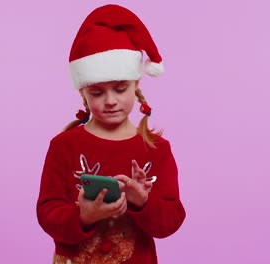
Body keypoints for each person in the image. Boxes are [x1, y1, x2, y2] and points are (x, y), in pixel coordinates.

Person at [36, 4, 186, 264]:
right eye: (97, 92)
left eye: (120, 89)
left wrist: (142, 201)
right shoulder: (64, 146)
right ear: (82, 92)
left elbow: (170, 222)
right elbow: (47, 213)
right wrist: (85, 216)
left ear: (136, 85)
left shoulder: (157, 148)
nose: (110, 101)